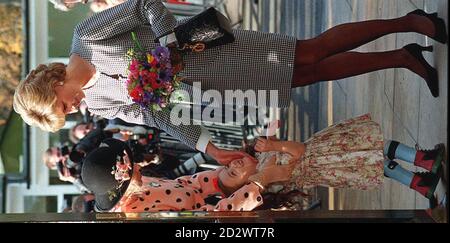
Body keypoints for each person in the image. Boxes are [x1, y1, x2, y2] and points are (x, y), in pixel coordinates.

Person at [14, 1, 448, 166]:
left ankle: (410, 21)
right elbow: (154, 112)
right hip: (211, 86)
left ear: (51, 87)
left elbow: (145, 4)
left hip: (217, 52)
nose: (73, 111)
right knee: (308, 74)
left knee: (310, 51)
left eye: (63, 107)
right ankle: (401, 58)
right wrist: (207, 145)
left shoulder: (86, 37)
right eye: (65, 117)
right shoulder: (102, 104)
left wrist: (167, 45)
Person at [251, 114, 445, 203]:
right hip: (328, 156)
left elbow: (282, 160)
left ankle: (420, 183)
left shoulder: (262, 168)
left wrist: (271, 138)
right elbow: (299, 151)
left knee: (374, 162)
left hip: (330, 161)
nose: (233, 162)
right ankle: (424, 159)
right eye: (232, 171)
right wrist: (274, 145)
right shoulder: (264, 174)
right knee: (378, 146)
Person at [81, 138, 296, 212]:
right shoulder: (137, 213)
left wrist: (222, 177)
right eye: (132, 167)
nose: (137, 165)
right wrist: (257, 183)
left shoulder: (139, 186)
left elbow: (185, 184)